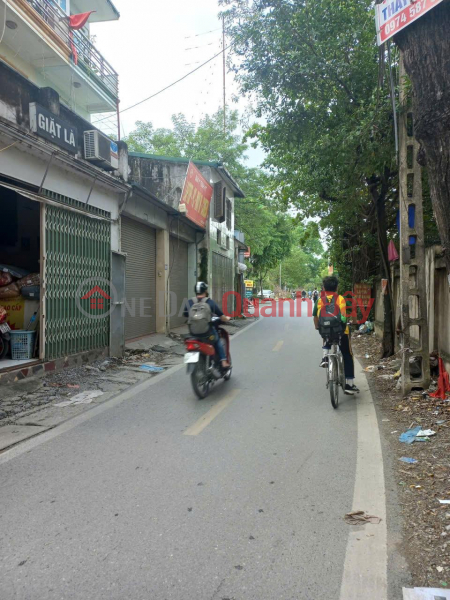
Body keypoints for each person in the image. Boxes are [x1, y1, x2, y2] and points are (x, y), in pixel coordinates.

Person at [313, 276, 359, 395]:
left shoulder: (319, 300)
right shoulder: (341, 299)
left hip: (326, 331)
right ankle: (349, 384)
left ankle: (325, 357)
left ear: (323, 288)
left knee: (326, 334)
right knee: (348, 354)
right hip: (342, 332)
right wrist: (354, 321)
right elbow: (351, 311)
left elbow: (315, 317)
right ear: (337, 287)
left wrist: (318, 327)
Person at [184, 282, 231, 368]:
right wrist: (227, 318)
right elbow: (221, 316)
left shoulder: (189, 302)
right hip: (207, 333)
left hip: (193, 333)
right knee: (217, 341)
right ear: (205, 291)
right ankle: (224, 361)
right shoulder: (210, 302)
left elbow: (185, 314)